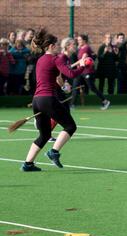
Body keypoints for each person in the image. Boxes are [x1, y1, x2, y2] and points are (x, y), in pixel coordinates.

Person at [20, 28, 88, 172]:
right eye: (56, 44)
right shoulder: (55, 59)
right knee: (70, 126)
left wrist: (64, 87)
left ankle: (28, 164)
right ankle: (54, 152)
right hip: (48, 99)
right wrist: (82, 66)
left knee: (44, 135)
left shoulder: (41, 60)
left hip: (37, 100)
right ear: (51, 46)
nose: (58, 47)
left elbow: (57, 78)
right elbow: (70, 73)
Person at [71, 34, 110, 110]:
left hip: (87, 72)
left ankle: (105, 101)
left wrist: (72, 66)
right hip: (80, 71)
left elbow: (82, 59)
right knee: (75, 87)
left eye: (80, 40)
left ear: (84, 41)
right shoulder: (80, 48)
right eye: (78, 40)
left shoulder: (86, 48)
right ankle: (72, 105)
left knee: (92, 88)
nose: (78, 41)